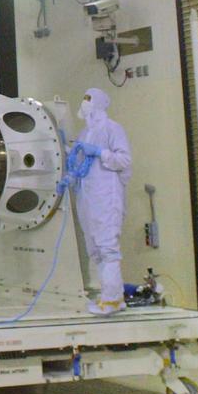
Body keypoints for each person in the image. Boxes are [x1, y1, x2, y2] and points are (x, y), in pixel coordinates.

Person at [72, 88, 133, 316]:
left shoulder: (112, 129)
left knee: (108, 249)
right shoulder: (84, 132)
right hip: (87, 199)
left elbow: (124, 160)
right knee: (95, 250)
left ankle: (112, 300)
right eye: (83, 98)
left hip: (106, 198)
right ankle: (108, 295)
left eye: (88, 99)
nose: (85, 103)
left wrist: (100, 153)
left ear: (98, 103)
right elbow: (78, 162)